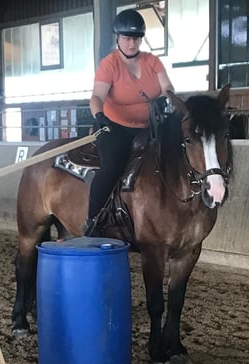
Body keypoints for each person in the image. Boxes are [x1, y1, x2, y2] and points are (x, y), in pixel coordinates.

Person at [83, 8, 175, 235]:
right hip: (115, 127)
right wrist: (100, 117)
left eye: (135, 39)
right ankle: (93, 220)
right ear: (118, 38)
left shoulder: (152, 61)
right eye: (126, 38)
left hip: (149, 127)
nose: (131, 44)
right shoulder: (109, 64)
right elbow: (96, 97)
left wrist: (163, 100)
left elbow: (168, 88)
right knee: (112, 167)